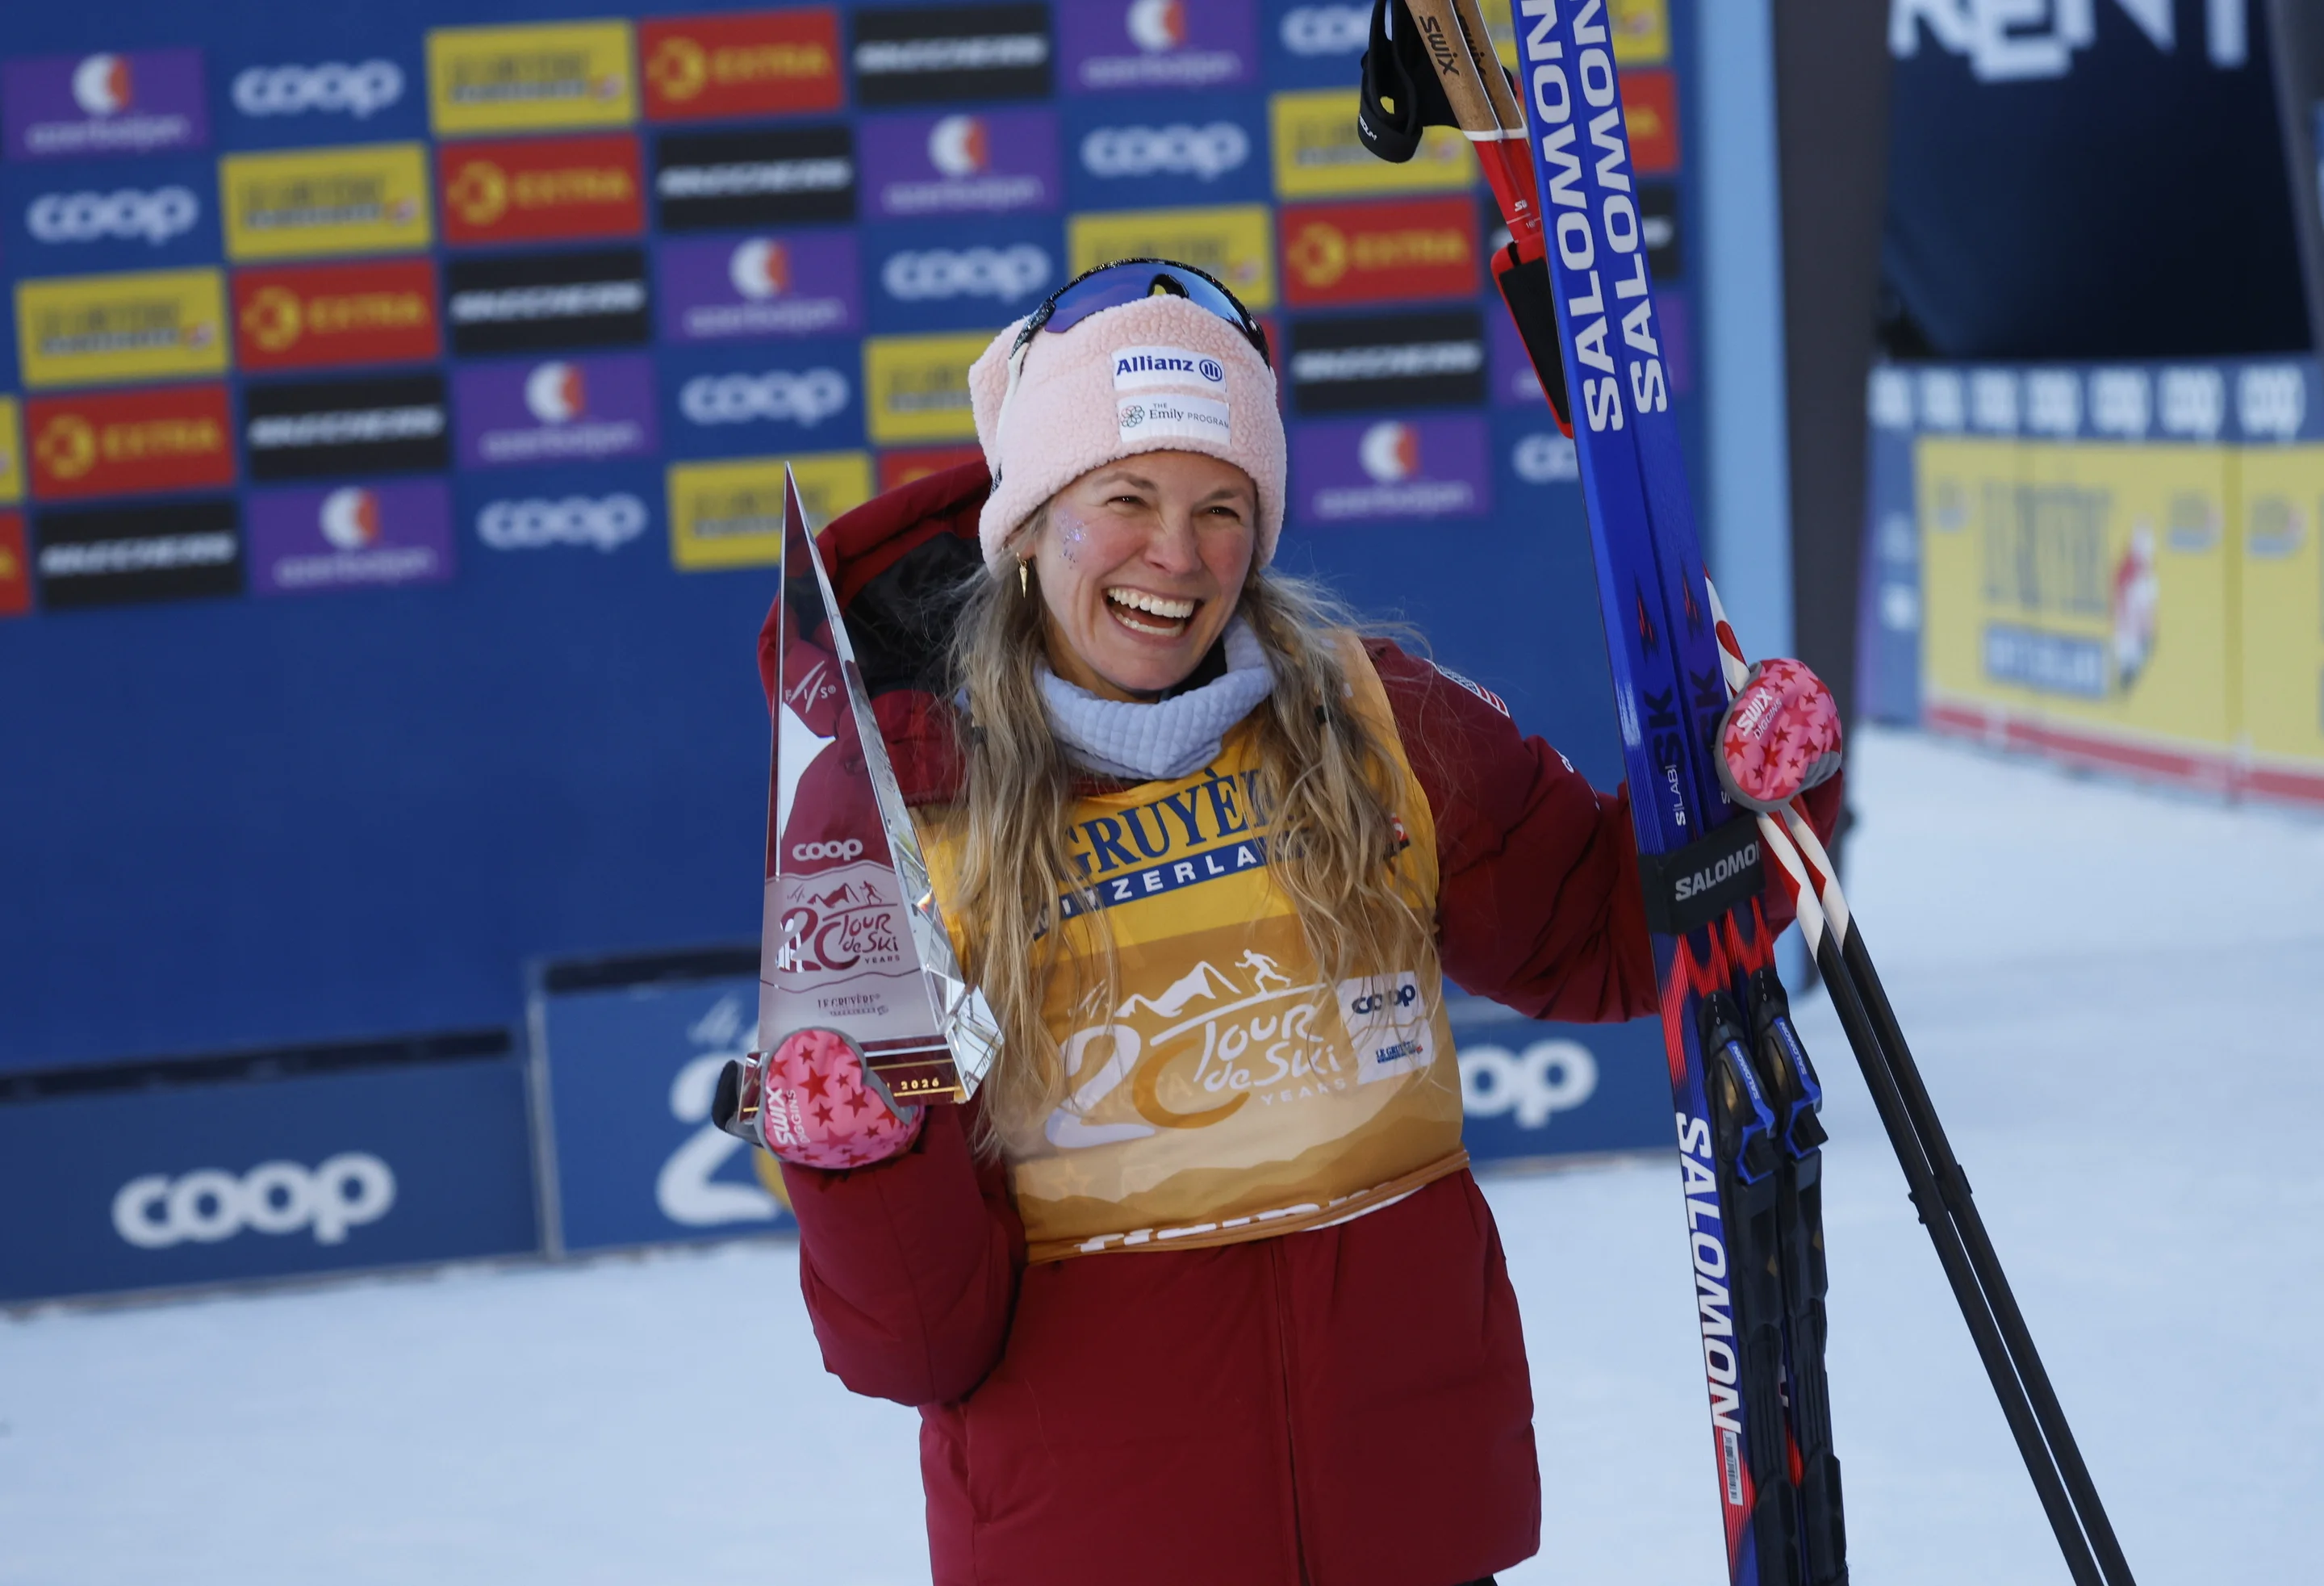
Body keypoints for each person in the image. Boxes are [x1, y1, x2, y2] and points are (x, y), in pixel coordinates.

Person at [754, 260, 1843, 1586]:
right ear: (1030, 521)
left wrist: (1749, 802)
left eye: (1224, 507)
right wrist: (864, 1166)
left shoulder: (1372, 717)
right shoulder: (907, 803)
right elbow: (914, 1345)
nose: (1178, 552)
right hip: (1102, 1546)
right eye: (1126, 499)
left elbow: (1608, 933)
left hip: (1412, 1517)